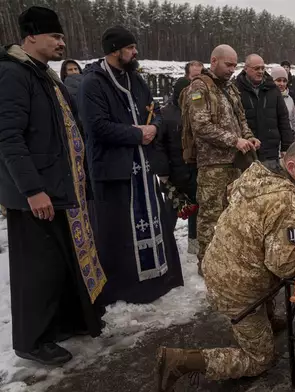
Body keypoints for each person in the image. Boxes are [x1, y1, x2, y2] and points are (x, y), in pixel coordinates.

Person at [156, 139, 295, 389]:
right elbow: (282, 265)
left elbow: (274, 235)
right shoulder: (285, 199)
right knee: (260, 359)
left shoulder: (259, 173)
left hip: (220, 265)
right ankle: (181, 361)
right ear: (292, 166)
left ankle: (266, 317)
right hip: (238, 287)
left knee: (268, 267)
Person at [0, 6, 105, 365]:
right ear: (31, 36)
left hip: (61, 189)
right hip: (35, 195)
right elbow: (9, 137)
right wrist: (32, 189)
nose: (62, 43)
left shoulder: (43, 74)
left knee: (61, 264)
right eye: (55, 36)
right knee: (37, 271)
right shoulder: (14, 75)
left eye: (62, 36)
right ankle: (31, 341)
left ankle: (63, 324)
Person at [80, 26, 184, 305]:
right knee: (120, 233)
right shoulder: (92, 83)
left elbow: (156, 112)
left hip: (144, 168)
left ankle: (159, 280)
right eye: (130, 47)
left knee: (156, 223)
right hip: (115, 172)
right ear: (114, 50)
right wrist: (138, 133)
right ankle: (127, 290)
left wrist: (153, 128)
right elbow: (97, 127)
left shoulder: (136, 79)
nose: (135, 52)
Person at [183, 44, 261, 268]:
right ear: (214, 61)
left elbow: (241, 120)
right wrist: (234, 140)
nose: (231, 69)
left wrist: (249, 137)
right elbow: (201, 126)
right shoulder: (199, 88)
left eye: (235, 65)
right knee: (210, 216)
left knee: (232, 214)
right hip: (213, 165)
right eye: (228, 64)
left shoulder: (231, 88)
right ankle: (206, 264)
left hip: (236, 163)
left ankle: (226, 260)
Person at [157, 77, 198, 254]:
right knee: (173, 206)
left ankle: (194, 241)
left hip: (194, 166)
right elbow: (158, 145)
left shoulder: (196, 110)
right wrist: (163, 171)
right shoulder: (166, 113)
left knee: (196, 205)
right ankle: (165, 240)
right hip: (173, 168)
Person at [236, 54, 293, 168]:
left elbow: (283, 118)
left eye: (263, 68)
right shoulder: (236, 89)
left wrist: (286, 147)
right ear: (246, 69)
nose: (261, 71)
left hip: (270, 152)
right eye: (256, 68)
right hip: (246, 152)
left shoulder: (273, 89)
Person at [272, 66, 295, 141]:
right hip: (273, 139)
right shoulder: (267, 98)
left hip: (287, 138)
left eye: (284, 81)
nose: (282, 84)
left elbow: (293, 121)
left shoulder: (290, 99)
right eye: (278, 80)